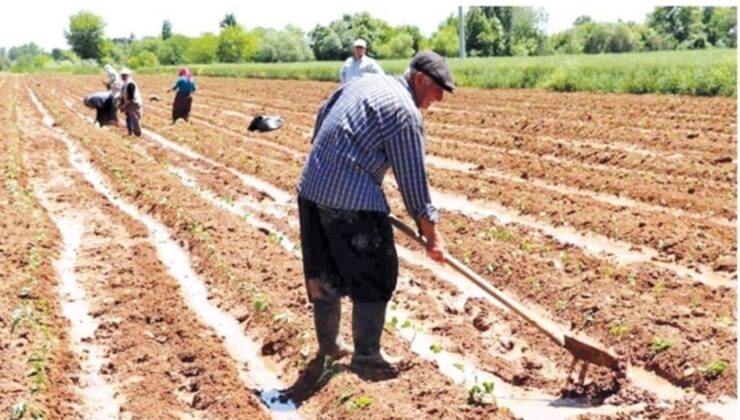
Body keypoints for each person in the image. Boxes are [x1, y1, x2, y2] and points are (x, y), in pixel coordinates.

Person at [298, 51, 454, 370]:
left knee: (323, 274)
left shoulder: (364, 82)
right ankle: (367, 357)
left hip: (311, 188)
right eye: (438, 87)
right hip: (350, 198)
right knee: (376, 272)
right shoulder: (405, 112)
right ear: (420, 78)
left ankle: (329, 348)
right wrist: (432, 235)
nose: (439, 97)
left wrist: (327, 159)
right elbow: (413, 180)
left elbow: (321, 110)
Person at [119, 68, 143, 136]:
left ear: (128, 75)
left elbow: (131, 98)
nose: (123, 77)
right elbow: (123, 95)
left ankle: (138, 134)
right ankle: (130, 132)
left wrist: (124, 106)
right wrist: (121, 104)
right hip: (129, 104)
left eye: (125, 75)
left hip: (134, 104)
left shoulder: (130, 84)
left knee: (135, 119)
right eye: (122, 75)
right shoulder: (124, 84)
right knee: (128, 118)